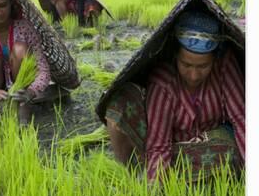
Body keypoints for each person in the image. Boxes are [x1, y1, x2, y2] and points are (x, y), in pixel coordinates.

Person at [105, 10, 245, 181]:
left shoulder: (225, 66)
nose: (193, 75)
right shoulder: (163, 82)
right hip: (173, 148)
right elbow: (159, 144)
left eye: (203, 67)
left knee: (228, 150)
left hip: (213, 145)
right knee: (120, 107)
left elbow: (241, 119)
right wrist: (154, 193)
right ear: (175, 56)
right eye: (186, 65)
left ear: (215, 60)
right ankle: (135, 174)